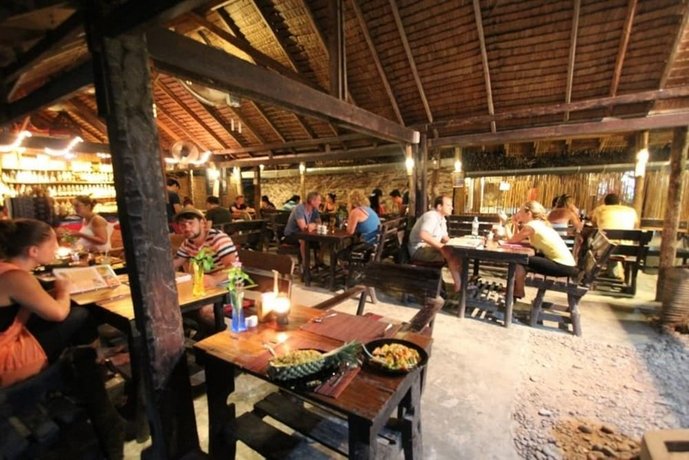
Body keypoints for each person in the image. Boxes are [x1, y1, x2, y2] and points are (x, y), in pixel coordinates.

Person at [0, 218, 123, 458]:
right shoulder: (16, 277)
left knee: (77, 317)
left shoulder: (6, 270)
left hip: (9, 343)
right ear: (33, 251)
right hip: (8, 360)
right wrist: (64, 289)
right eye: (53, 243)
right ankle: (94, 365)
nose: (57, 248)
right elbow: (57, 313)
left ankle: (91, 365)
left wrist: (56, 292)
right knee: (81, 315)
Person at [173, 208, 239, 337]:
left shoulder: (217, 238)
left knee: (205, 312)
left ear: (202, 223)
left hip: (229, 285)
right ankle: (205, 333)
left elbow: (234, 266)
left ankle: (225, 334)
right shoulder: (187, 243)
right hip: (205, 285)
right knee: (173, 303)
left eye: (190, 223)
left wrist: (215, 279)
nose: (187, 228)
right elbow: (176, 261)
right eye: (182, 225)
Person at [506, 201, 578, 298]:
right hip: (568, 265)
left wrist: (506, 223)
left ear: (529, 213)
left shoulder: (531, 226)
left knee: (520, 261)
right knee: (523, 259)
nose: (518, 213)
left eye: (520, 211)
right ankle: (514, 289)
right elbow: (516, 240)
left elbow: (511, 240)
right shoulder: (539, 224)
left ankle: (519, 291)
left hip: (562, 266)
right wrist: (515, 224)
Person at [409, 196, 462, 291]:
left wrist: (457, 244)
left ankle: (460, 284)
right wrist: (442, 247)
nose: (452, 208)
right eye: (448, 205)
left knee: (458, 253)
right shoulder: (431, 216)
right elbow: (424, 235)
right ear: (439, 207)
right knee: (451, 255)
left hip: (428, 248)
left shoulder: (442, 219)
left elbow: (445, 238)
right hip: (419, 250)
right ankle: (459, 287)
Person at [283, 191, 322, 267]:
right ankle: (305, 265)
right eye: (319, 200)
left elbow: (320, 224)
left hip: (305, 234)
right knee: (304, 239)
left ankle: (319, 261)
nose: (320, 202)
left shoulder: (314, 210)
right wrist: (314, 226)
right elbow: (304, 228)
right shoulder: (299, 209)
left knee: (324, 241)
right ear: (312, 201)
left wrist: (312, 225)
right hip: (291, 235)